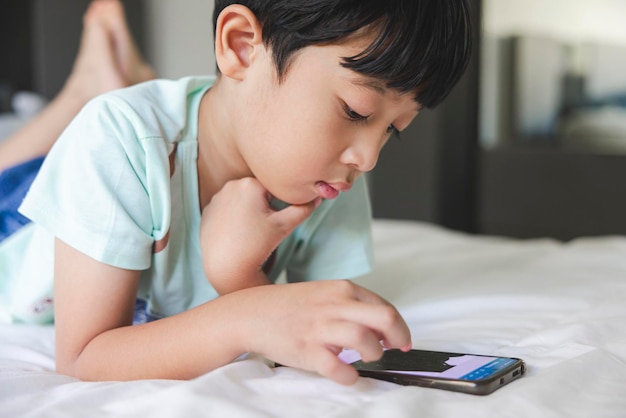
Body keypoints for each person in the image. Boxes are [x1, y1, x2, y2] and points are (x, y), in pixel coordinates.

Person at [0, 0, 472, 385]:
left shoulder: (332, 176)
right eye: (355, 110)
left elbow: (297, 322)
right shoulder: (115, 138)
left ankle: (117, 84)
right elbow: (84, 357)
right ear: (244, 47)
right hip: (19, 226)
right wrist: (243, 316)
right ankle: (82, 94)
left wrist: (238, 274)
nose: (368, 158)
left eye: (394, 128)